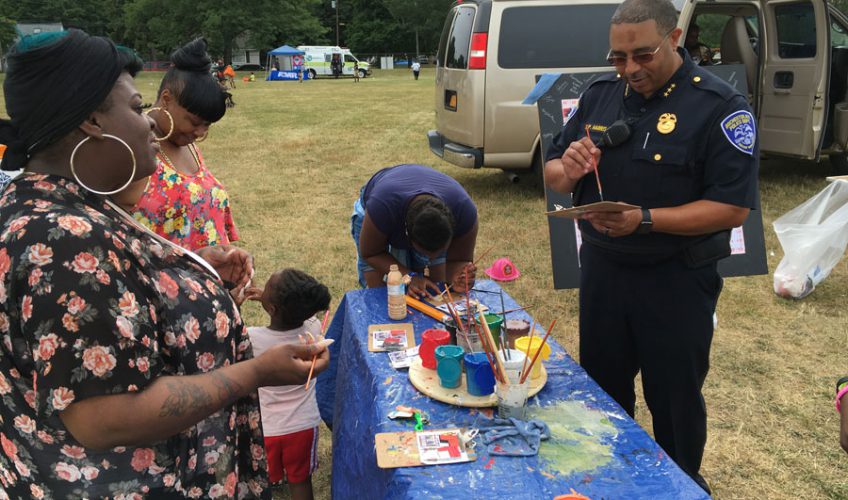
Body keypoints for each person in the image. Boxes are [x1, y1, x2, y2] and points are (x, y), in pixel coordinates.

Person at [0, 29, 331, 498]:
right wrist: (254, 373)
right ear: (91, 120)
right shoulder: (62, 241)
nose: (152, 124)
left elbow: (119, 290)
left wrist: (191, 265)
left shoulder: (70, 203)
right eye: (136, 108)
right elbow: (103, 416)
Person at [543, 0, 758, 493]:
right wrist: (568, 168)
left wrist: (644, 220)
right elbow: (554, 174)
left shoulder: (720, 107)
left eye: (643, 55)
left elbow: (731, 209)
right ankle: (610, 482)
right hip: (604, 273)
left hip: (676, 279)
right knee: (602, 392)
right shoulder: (600, 95)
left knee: (675, 400)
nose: (630, 69)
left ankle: (679, 485)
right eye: (618, 57)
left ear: (675, 38)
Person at [123, 38, 240, 251]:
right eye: (195, 122)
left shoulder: (187, 144)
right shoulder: (134, 149)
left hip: (208, 278)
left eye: (207, 125)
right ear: (167, 99)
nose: (201, 133)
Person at [244, 269, 331, 500]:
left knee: (263, 482)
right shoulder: (312, 331)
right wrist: (269, 297)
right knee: (300, 481)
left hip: (266, 429)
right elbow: (305, 314)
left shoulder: (251, 338)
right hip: (302, 426)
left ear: (272, 308)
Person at [351, 164, 479, 297]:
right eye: (425, 253)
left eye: (440, 252)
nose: (431, 258)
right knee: (382, 296)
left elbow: (459, 261)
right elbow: (371, 254)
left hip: (413, 211)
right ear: (406, 235)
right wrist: (410, 276)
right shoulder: (382, 207)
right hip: (382, 215)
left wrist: (458, 276)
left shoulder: (464, 211)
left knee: (435, 292)